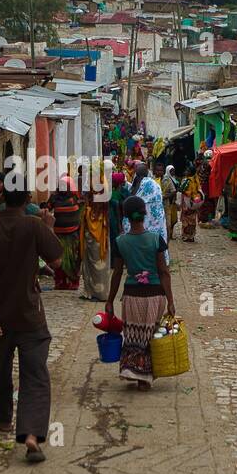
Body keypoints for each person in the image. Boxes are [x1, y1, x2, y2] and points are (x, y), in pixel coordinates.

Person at [0, 186, 65, 462]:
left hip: (0, 313)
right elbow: (57, 261)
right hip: (29, 313)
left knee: (0, 365)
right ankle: (30, 434)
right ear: (27, 199)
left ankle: (2, 417)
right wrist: (48, 227)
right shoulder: (34, 226)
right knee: (35, 373)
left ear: (2, 197)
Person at [106, 196, 176, 390]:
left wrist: (110, 300)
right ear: (145, 214)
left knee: (134, 334)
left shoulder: (120, 242)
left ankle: (135, 372)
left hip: (132, 296)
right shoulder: (156, 239)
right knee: (150, 334)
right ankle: (145, 375)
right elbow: (164, 272)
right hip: (155, 295)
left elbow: (118, 273)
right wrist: (170, 301)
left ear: (126, 217)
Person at [48, 175, 83, 290]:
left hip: (72, 234)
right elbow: (47, 208)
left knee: (72, 258)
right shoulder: (54, 198)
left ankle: (73, 282)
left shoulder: (74, 197)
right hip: (58, 234)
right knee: (59, 258)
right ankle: (60, 282)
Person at [128, 162, 169, 256]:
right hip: (157, 219)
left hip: (146, 218)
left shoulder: (141, 184)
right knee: (157, 241)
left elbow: (133, 199)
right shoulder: (154, 184)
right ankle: (160, 261)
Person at [80, 188, 111, 301]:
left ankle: (100, 294)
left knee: (98, 267)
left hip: (98, 240)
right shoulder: (92, 209)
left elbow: (92, 220)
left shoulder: (97, 211)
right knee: (89, 266)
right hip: (91, 241)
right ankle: (89, 292)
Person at [178, 165, 203, 242]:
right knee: (192, 220)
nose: (186, 172)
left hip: (187, 202)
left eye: (187, 170)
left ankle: (186, 236)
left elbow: (181, 190)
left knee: (186, 219)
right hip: (195, 202)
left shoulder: (187, 181)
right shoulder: (196, 179)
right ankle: (191, 236)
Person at [155, 160, 178, 240]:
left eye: (161, 170)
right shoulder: (152, 180)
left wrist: (165, 197)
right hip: (156, 206)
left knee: (167, 224)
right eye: (157, 170)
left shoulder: (167, 179)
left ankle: (166, 239)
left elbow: (173, 191)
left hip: (166, 205)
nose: (159, 172)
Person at [197, 151, 217, 226]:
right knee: (208, 203)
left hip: (202, 186)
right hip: (207, 186)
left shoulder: (201, 165)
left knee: (202, 202)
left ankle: (202, 219)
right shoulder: (210, 164)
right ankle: (206, 219)